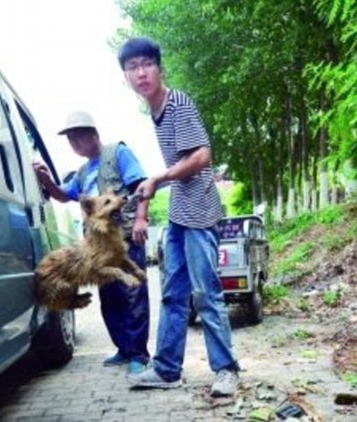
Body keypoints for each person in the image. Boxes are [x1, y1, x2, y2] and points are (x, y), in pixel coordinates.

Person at [118, 37, 241, 396]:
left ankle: (227, 370)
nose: (140, 73)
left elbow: (202, 157)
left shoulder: (178, 102)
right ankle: (167, 369)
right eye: (132, 67)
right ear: (126, 76)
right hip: (178, 213)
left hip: (200, 210)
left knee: (206, 293)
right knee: (172, 294)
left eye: (146, 64)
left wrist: (160, 177)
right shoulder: (154, 110)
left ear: (159, 68)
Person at [33, 111, 150, 374]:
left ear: (93, 135)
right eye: (70, 140)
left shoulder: (118, 153)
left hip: (125, 236)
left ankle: (139, 356)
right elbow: (65, 196)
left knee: (132, 296)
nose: (74, 144)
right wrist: (47, 181)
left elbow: (141, 185)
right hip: (97, 247)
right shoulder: (83, 171)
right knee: (109, 300)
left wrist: (142, 218)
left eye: (77, 137)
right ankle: (123, 349)